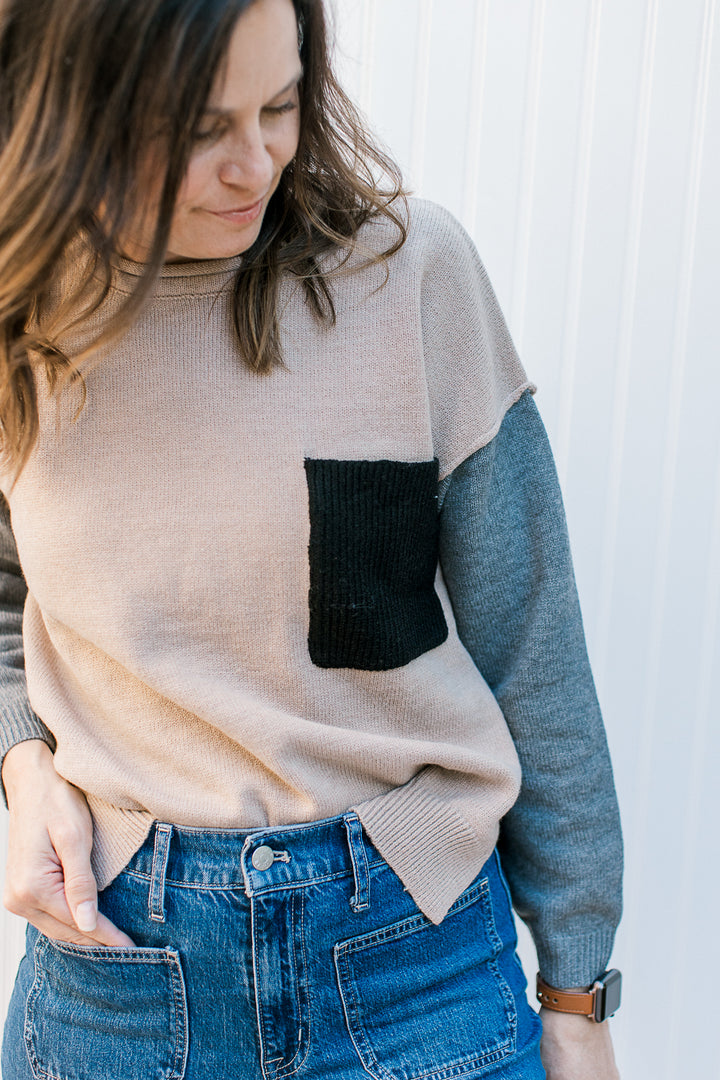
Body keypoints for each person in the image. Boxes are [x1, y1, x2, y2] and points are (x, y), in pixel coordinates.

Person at [0, 0, 623, 1077]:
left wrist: (577, 994)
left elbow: (533, 642)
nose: (256, 163)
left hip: (415, 962)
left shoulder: (412, 275)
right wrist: (22, 765)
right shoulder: (19, 316)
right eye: (199, 128)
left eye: (280, 105)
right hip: (117, 972)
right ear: (72, 119)